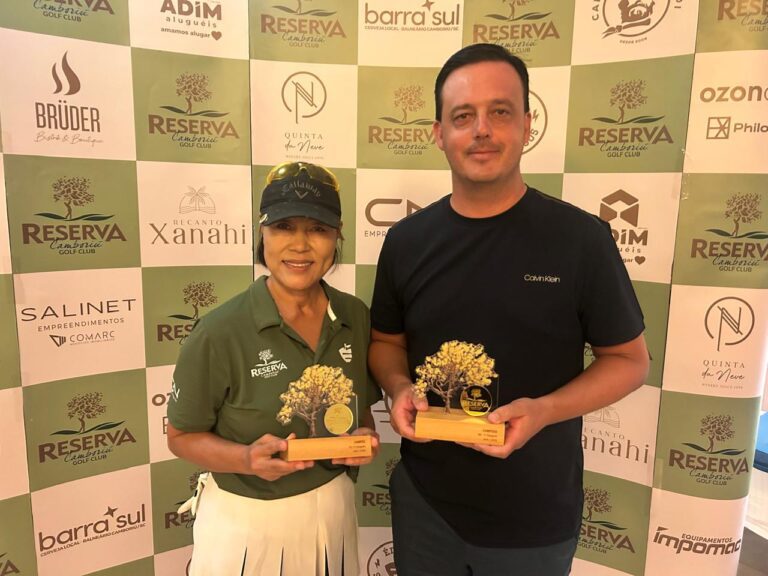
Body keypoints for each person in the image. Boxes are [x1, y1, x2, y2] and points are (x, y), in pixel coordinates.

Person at [368, 43, 650, 576]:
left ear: (526, 125)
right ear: (439, 133)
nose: (481, 130)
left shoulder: (580, 240)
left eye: (499, 112)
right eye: (463, 116)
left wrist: (544, 410)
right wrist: (399, 387)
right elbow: (386, 343)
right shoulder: (406, 242)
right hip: (427, 508)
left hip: (535, 519)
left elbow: (630, 361)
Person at [167, 161, 381, 576]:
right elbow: (181, 437)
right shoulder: (219, 331)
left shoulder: (354, 315)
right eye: (284, 226)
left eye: (317, 229)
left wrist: (363, 439)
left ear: (337, 236)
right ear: (262, 233)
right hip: (247, 525)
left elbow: (361, 411)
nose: (300, 245)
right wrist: (246, 458)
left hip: (334, 511)